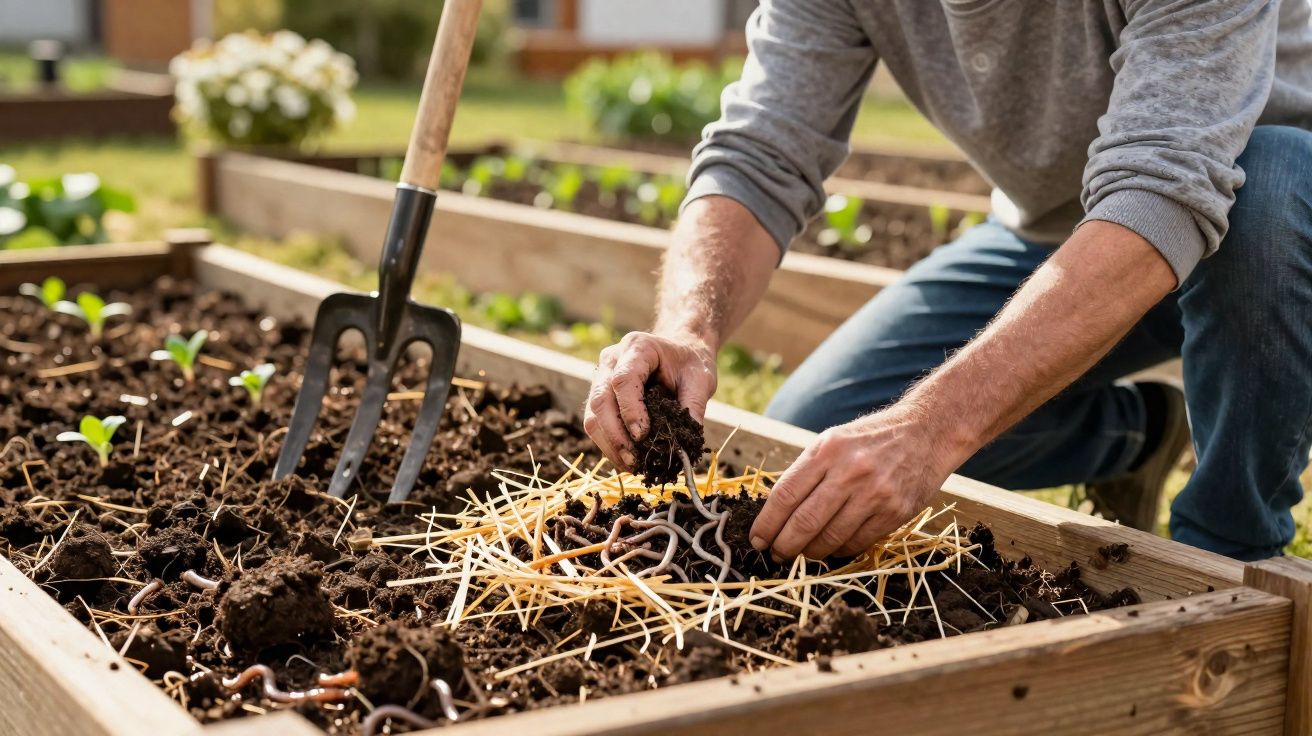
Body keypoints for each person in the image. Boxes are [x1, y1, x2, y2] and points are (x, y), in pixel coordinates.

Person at [584, 0, 1312, 563]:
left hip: (1266, 228)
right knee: (824, 433)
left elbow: (1165, 192)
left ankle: (1228, 552)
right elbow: (761, 152)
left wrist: (931, 429)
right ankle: (1140, 435)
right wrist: (688, 329)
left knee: (1273, 187)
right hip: (1061, 236)